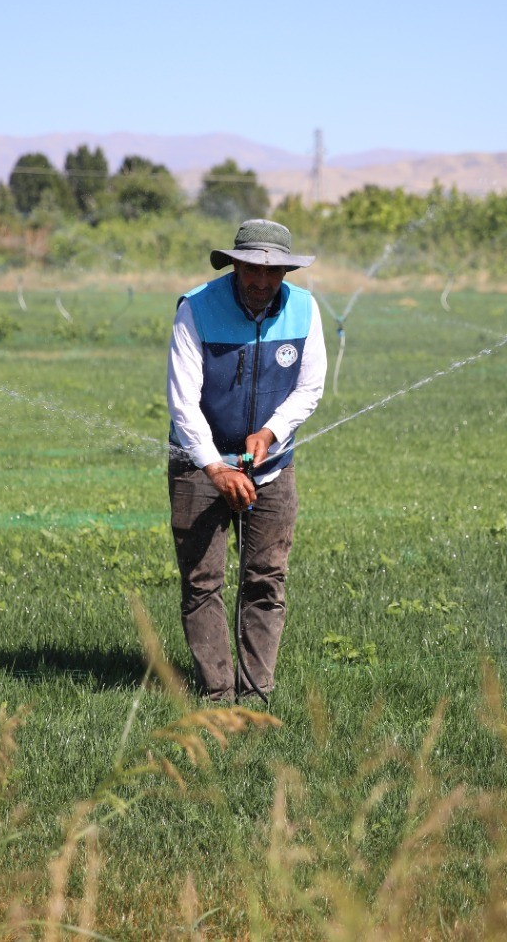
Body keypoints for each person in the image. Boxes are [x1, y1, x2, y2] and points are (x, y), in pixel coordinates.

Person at [166, 219, 327, 703]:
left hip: (272, 467)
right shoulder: (195, 308)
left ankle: (257, 696)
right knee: (202, 582)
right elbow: (182, 401)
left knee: (265, 579)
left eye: (272, 271)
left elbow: (310, 387)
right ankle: (217, 694)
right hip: (198, 465)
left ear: (285, 270)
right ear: (234, 264)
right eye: (251, 270)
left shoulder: (304, 309)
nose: (261, 282)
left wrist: (270, 431)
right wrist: (215, 467)